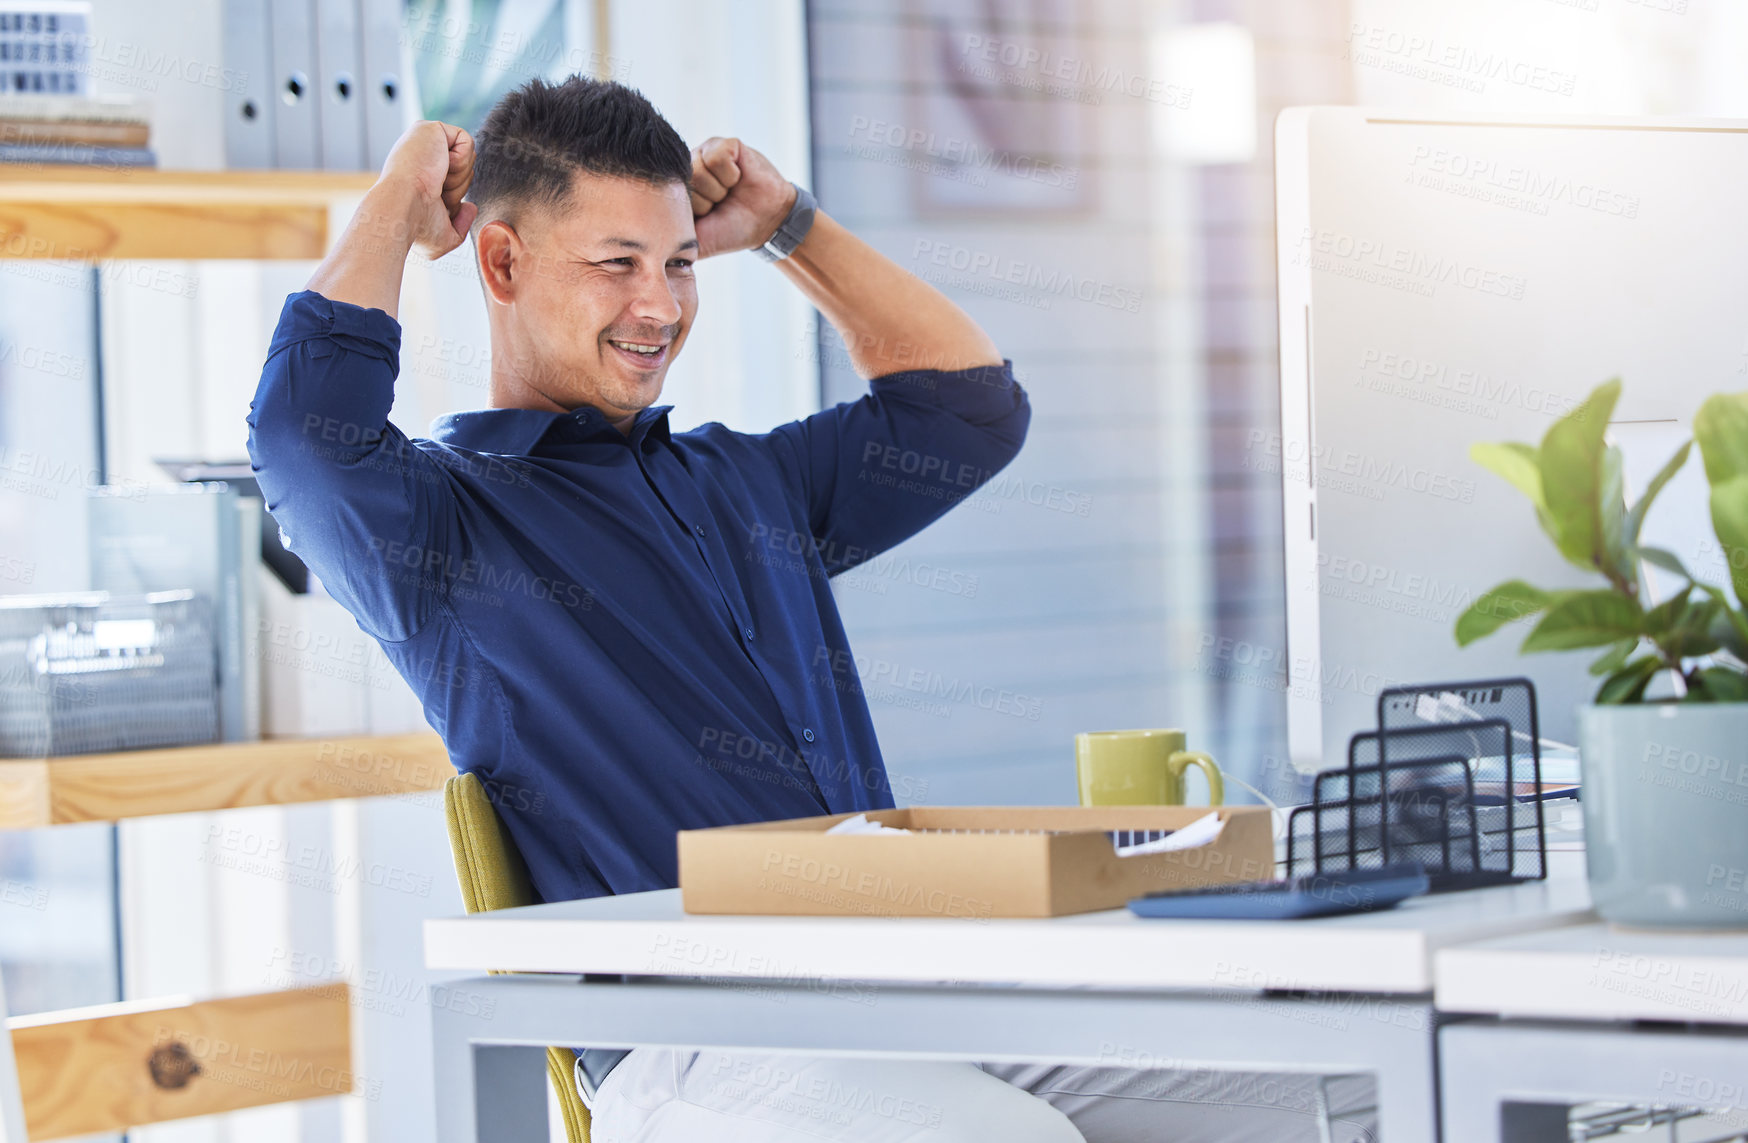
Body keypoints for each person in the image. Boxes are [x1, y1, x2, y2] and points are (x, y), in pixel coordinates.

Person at [247, 75, 1379, 1143]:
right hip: (693, 1040)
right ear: (499, 261)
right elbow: (300, 437)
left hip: (910, 982)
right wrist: (399, 200)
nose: (659, 305)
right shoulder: (442, 529)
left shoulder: (747, 485)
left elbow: (967, 414)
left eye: (680, 264)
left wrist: (789, 228)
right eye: (617, 262)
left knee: (1343, 1085)